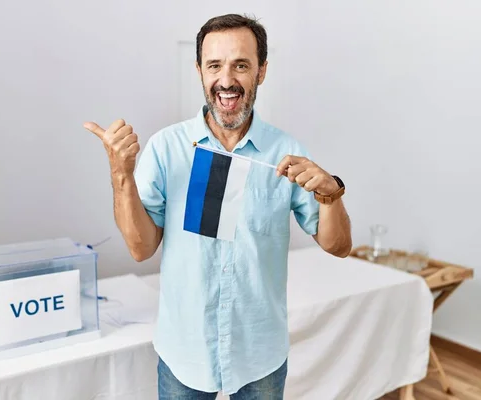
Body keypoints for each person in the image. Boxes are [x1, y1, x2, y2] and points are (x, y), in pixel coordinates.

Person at [85, 13, 352, 399]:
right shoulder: (167, 148)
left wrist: (331, 195)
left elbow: (339, 246)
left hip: (259, 354)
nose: (226, 80)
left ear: (261, 71)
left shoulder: (288, 153)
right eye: (215, 65)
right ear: (199, 70)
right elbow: (141, 249)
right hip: (185, 352)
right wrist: (121, 175)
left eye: (241, 65)